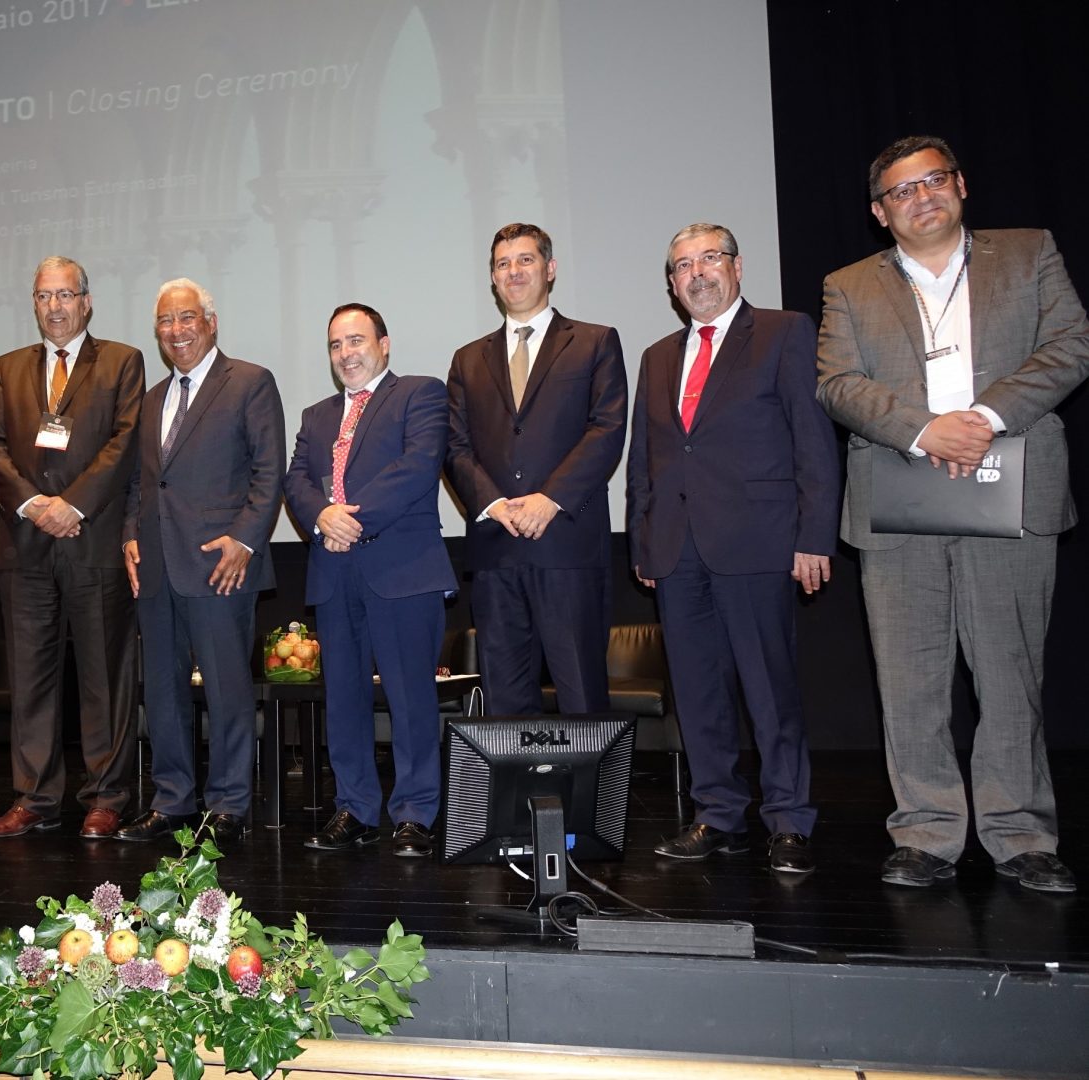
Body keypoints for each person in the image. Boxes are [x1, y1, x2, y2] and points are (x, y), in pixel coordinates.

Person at [817, 136, 1089, 893]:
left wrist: (987, 415)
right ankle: (927, 830)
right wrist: (922, 428)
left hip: (1010, 480)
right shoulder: (847, 285)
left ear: (961, 185)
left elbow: (1072, 345)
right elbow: (837, 383)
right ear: (880, 213)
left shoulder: (1028, 253)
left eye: (934, 180)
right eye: (902, 191)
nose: (922, 197)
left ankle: (1020, 832)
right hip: (899, 489)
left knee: (1009, 670)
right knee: (909, 676)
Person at [626, 225, 840, 874]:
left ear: (737, 268)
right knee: (697, 694)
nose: (696, 273)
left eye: (709, 259)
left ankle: (788, 821)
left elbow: (814, 440)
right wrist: (644, 542)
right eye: (682, 265)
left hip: (758, 542)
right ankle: (718, 816)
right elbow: (647, 460)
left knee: (769, 691)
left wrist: (814, 535)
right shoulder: (659, 356)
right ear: (670, 285)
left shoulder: (783, 332)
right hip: (675, 549)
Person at [0, 257, 143, 840]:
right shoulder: (7, 368)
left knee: (104, 676)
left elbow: (125, 440)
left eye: (66, 294)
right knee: (31, 678)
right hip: (25, 547)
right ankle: (35, 797)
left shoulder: (122, 361)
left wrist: (71, 505)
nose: (55, 306)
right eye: (44, 296)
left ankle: (106, 795)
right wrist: (36, 507)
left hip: (93, 540)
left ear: (87, 301)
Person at [282, 303, 455, 857]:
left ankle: (415, 813)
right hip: (335, 575)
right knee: (345, 701)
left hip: (401, 571)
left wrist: (345, 519)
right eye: (335, 345)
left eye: (356, 341)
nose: (345, 353)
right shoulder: (315, 415)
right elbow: (297, 480)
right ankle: (355, 808)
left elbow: (418, 466)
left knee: (410, 700)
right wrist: (319, 517)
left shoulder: (420, 394)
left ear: (384, 343)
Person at [119, 278, 285, 846]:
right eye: (166, 322)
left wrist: (244, 539)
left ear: (211, 323)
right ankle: (172, 800)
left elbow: (269, 473)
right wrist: (128, 537)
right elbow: (143, 484)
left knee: (226, 688)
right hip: (158, 565)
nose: (176, 330)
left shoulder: (249, 382)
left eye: (187, 318)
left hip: (221, 563)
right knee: (162, 691)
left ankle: (230, 803)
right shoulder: (151, 400)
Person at [446, 223, 628, 717]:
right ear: (493, 279)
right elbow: (456, 447)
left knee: (581, 696)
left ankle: (589, 800)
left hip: (567, 544)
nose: (514, 272)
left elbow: (607, 430)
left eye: (525, 260)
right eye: (503, 264)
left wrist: (549, 499)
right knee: (505, 702)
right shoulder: (467, 360)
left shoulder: (594, 342)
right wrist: (495, 504)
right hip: (496, 549)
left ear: (549, 269)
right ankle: (520, 799)